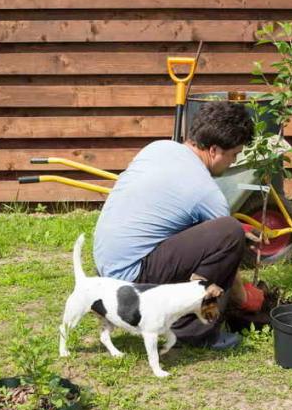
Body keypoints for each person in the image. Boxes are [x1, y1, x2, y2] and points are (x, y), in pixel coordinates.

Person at [93, 101, 265, 350]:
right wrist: (245, 298)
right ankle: (194, 333)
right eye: (234, 155)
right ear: (215, 150)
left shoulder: (159, 148)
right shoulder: (206, 192)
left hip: (106, 270)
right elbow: (225, 244)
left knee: (231, 231)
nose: (233, 162)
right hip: (132, 282)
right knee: (230, 232)